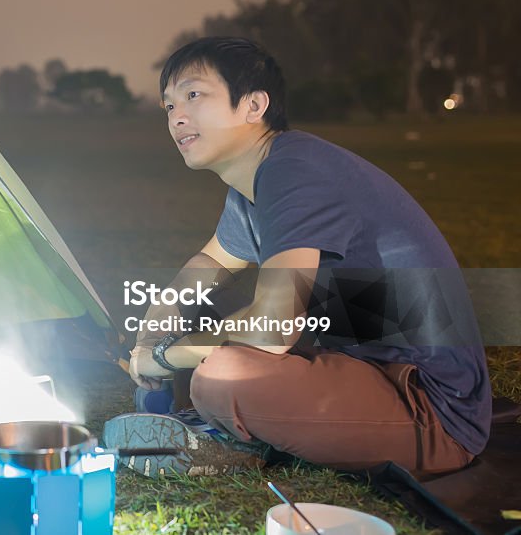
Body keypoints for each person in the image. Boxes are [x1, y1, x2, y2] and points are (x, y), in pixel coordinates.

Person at [106, 37, 490, 477]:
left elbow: (274, 328)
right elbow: (208, 266)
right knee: (205, 322)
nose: (177, 117)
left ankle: (228, 440)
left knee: (222, 376)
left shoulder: (295, 172)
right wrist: (155, 329)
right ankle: (227, 422)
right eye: (168, 106)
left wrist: (166, 355)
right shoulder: (261, 177)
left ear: (253, 105)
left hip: (431, 410)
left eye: (193, 95)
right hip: (364, 369)